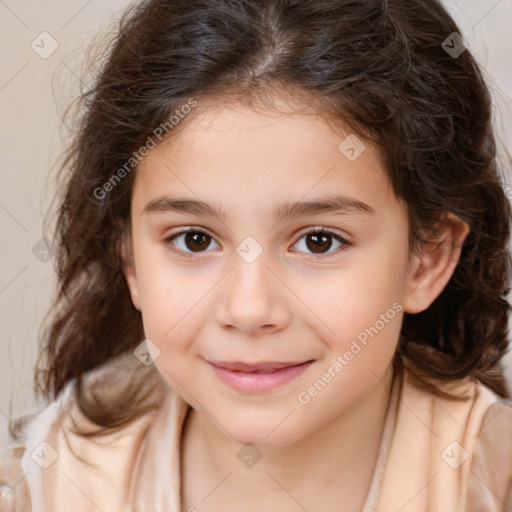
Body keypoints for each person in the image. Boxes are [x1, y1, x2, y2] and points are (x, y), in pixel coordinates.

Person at [1, 0, 512, 510]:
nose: (248, 310)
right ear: (131, 260)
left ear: (425, 259)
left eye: (318, 241)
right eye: (194, 239)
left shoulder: (491, 478)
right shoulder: (53, 482)